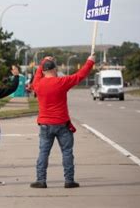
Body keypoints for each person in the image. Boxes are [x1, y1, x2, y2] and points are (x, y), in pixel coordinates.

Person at [30, 54, 95, 189]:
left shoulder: (37, 84)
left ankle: (41, 180)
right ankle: (69, 180)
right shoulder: (61, 82)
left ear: (43, 71)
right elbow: (80, 75)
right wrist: (90, 61)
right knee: (67, 152)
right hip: (62, 124)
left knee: (43, 153)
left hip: (45, 125)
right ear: (54, 70)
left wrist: (44, 61)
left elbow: (37, 75)